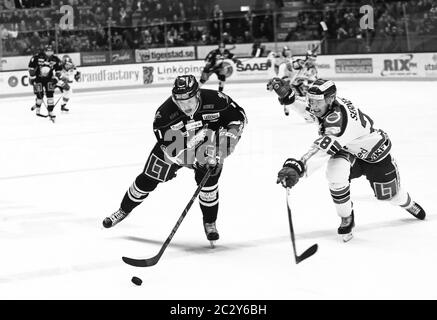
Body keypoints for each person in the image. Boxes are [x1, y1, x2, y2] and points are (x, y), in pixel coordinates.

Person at [268, 77, 426, 241]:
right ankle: (346, 217)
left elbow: (322, 149)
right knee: (336, 174)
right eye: (311, 100)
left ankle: (408, 203)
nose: (313, 106)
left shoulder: (339, 122)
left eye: (317, 102)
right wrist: (291, 98)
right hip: (349, 150)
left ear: (330, 99)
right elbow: (310, 111)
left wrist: (299, 167)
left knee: (391, 196)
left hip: (375, 155)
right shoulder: (329, 104)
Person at [102, 75, 247, 245]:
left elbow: (237, 120)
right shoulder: (164, 115)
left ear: (198, 94)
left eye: (189, 101)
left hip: (208, 145)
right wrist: (192, 161)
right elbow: (171, 149)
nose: (186, 106)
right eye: (181, 102)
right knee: (148, 179)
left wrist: (221, 148)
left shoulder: (217, 100)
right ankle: (123, 210)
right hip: (178, 148)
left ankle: (210, 222)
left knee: (209, 184)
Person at [28, 44, 62, 122]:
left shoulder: (56, 59)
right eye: (47, 51)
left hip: (49, 79)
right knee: (40, 95)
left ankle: (50, 111)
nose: (49, 52)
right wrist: (32, 78)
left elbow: (58, 71)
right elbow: (31, 67)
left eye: (51, 51)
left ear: (53, 51)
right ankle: (37, 107)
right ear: (44, 51)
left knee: (50, 94)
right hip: (38, 79)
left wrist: (56, 79)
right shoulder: (37, 57)